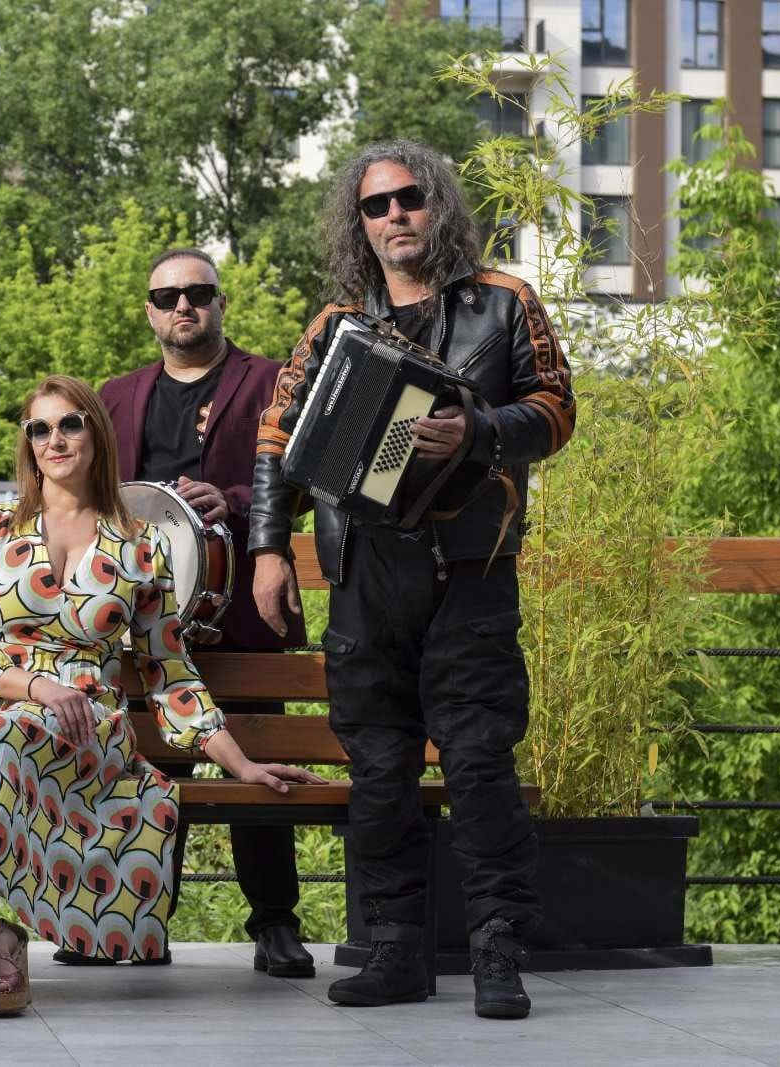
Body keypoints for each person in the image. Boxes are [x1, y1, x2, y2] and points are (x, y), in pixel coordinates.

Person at [0, 374, 324, 1022]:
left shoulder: (138, 544)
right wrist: (33, 683)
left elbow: (169, 672)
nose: (54, 439)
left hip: (83, 721)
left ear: (96, 435)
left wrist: (240, 762)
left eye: (69, 424)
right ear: (27, 444)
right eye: (40, 428)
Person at [247, 140, 575, 1020]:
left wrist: (477, 429)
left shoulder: (504, 301)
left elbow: (556, 409)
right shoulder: (335, 325)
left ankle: (498, 949)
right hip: (364, 574)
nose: (394, 215)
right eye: (375, 205)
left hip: (470, 569)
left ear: (438, 204)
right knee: (380, 771)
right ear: (358, 223)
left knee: (479, 763)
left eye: (408, 198)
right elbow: (277, 436)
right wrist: (270, 549)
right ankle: (394, 949)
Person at [89, 247, 313, 978]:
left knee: (256, 764)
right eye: (167, 296)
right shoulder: (116, 395)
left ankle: (275, 922)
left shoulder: (272, 380)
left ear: (220, 302)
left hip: (242, 609)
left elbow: (309, 476)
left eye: (198, 292)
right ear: (149, 311)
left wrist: (239, 501)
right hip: (141, 619)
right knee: (142, 770)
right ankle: (139, 922)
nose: (183, 305)